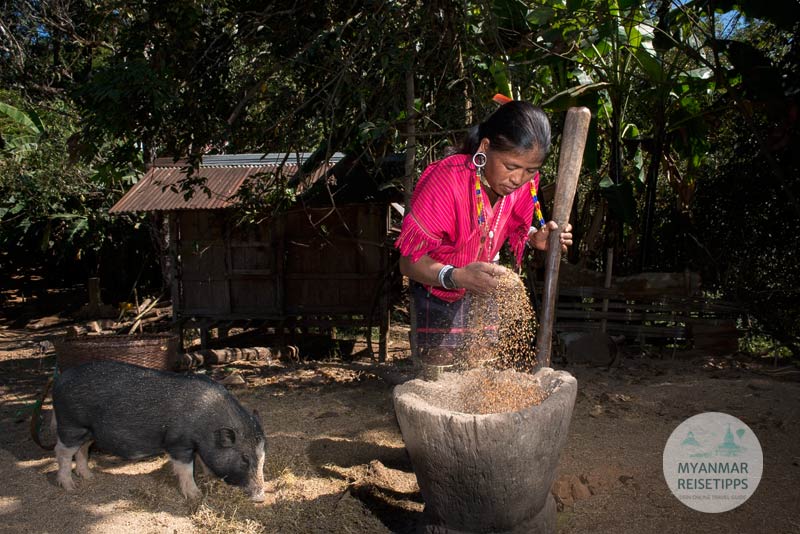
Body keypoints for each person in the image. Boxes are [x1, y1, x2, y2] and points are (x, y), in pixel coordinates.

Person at [394, 99, 572, 377]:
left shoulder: (525, 182)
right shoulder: (446, 180)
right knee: (440, 373)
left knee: (481, 367)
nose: (518, 179)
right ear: (486, 148)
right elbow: (408, 264)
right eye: (511, 166)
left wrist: (536, 239)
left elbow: (515, 224)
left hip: (483, 285)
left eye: (530, 170)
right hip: (437, 287)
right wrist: (458, 277)